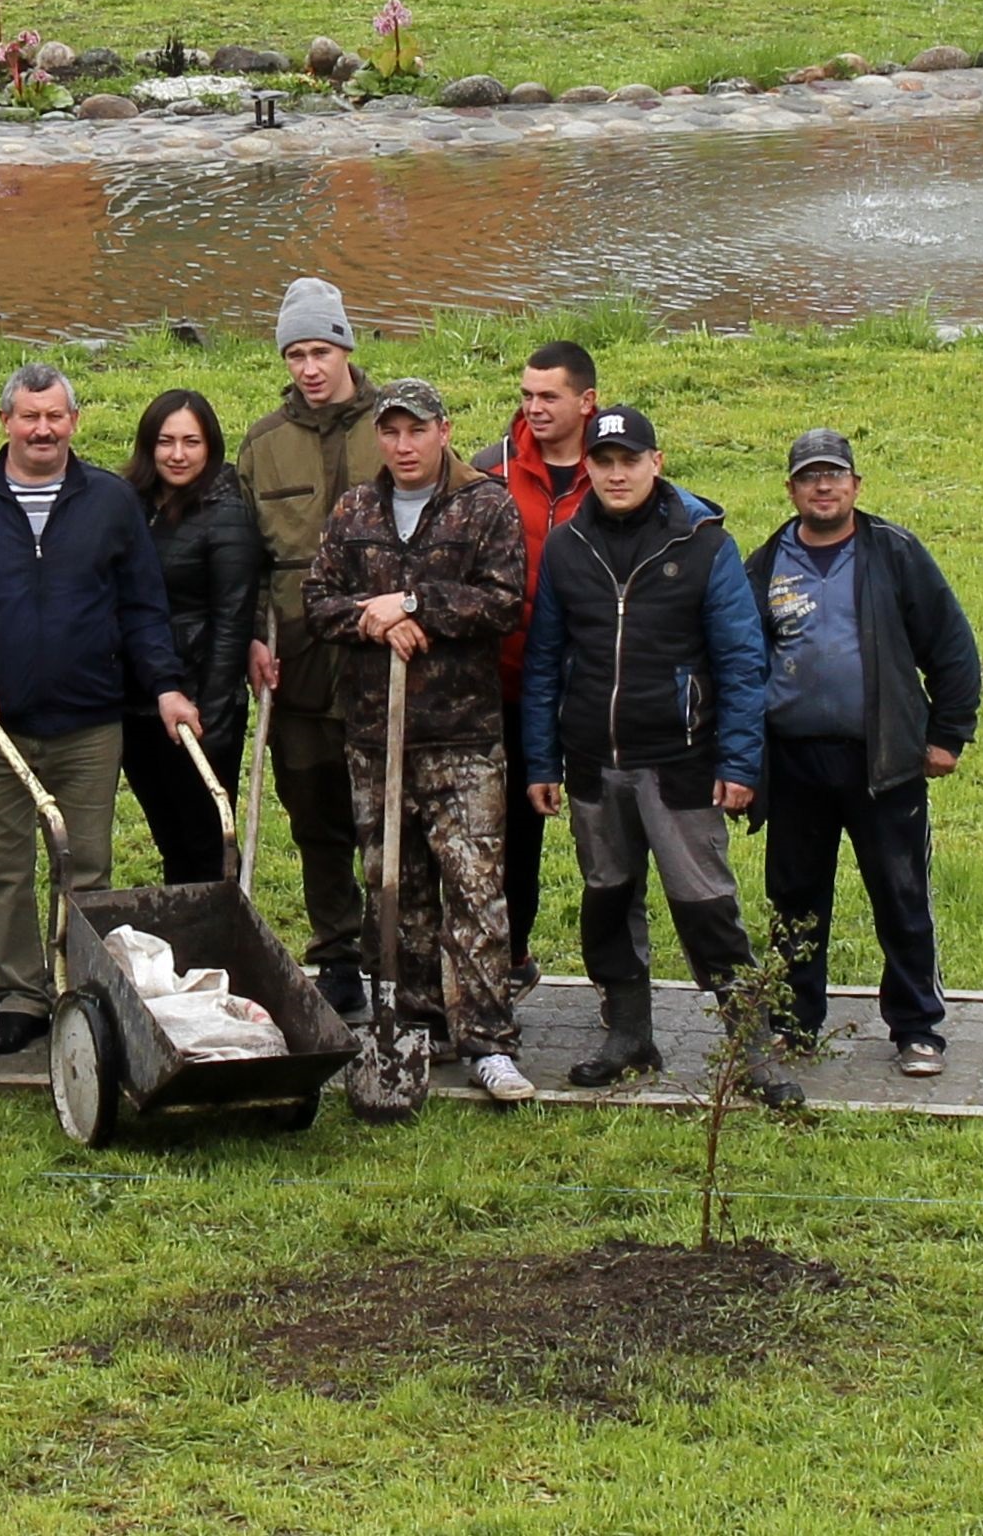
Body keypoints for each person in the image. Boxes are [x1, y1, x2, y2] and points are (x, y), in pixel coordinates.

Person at [518, 405, 790, 1101]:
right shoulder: (569, 545)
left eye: (628, 462)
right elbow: (545, 660)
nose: (615, 474)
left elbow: (741, 661)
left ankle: (751, 1048)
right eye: (603, 464)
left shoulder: (703, 544)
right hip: (590, 763)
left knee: (706, 907)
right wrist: (542, 761)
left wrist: (737, 763)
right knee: (607, 901)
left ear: (655, 463)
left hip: (680, 762)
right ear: (590, 469)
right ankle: (629, 1035)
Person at [0, 361, 194, 1057]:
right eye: (28, 416)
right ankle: (21, 996)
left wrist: (164, 684)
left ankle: (81, 984)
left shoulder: (110, 501)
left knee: (86, 863)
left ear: (74, 421)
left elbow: (141, 607)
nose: (42, 429)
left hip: (89, 721)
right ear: (5, 422)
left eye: (54, 416)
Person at [305, 378, 538, 1103]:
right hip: (377, 738)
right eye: (391, 433)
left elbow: (503, 600)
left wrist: (412, 604)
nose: (403, 446)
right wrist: (372, 620)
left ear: (443, 430)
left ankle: (489, 1039)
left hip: (461, 738)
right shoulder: (356, 508)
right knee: (395, 891)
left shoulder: (485, 504)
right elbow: (319, 603)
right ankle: (416, 1026)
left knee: (474, 890)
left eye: (416, 431)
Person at [747, 427, 983, 1079]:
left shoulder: (896, 553)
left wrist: (947, 734)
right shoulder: (765, 564)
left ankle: (917, 1028)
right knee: (794, 899)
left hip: (884, 761)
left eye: (835, 475)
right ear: (791, 489)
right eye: (810, 477)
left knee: (901, 893)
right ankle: (795, 1025)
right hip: (794, 762)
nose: (823, 486)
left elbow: (952, 648)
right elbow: (738, 664)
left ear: (856, 485)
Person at [237, 276, 379, 1017]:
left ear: (346, 347)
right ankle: (338, 953)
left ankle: (401, 947)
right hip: (296, 663)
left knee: (388, 815)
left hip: (385, 661)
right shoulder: (262, 445)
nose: (308, 367)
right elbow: (246, 558)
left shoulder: (396, 423)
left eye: (320, 349)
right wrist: (253, 641)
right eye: (295, 354)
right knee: (317, 819)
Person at [471, 338, 602, 990]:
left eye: (548, 396)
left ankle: (617, 980)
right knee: (511, 833)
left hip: (594, 691)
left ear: (587, 400)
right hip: (506, 684)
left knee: (609, 839)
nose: (534, 407)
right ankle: (511, 955)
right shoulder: (487, 468)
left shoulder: (615, 468)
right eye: (526, 395)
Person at [119, 388, 257, 884]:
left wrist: (214, 721)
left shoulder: (228, 514)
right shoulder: (128, 504)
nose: (177, 455)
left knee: (206, 842)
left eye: (191, 442)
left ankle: (219, 946)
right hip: (136, 702)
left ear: (210, 446)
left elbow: (232, 623)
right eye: (166, 441)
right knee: (169, 837)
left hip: (198, 705)